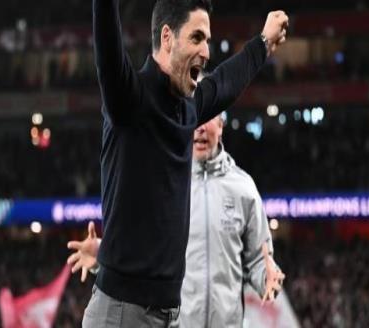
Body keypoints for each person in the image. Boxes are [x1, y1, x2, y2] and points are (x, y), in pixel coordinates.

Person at [86, 0, 288, 327]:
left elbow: (226, 82)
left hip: (167, 316)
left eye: (208, 40)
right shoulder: (130, 100)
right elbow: (108, 56)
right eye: (197, 37)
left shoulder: (188, 105)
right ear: (167, 37)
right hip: (122, 313)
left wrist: (264, 43)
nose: (207, 51)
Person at [68, 113, 286, 327]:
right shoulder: (163, 182)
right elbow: (137, 251)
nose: (200, 128)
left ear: (221, 125)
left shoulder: (243, 188)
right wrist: (103, 256)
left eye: (208, 117)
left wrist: (266, 277)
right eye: (195, 119)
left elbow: (259, 260)